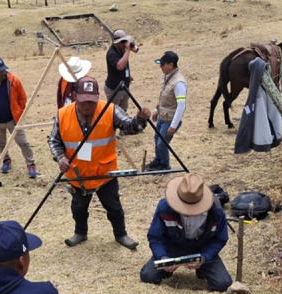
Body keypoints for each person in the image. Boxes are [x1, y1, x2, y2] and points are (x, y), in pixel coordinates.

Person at [49, 77, 151, 250]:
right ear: (75, 96)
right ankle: (80, 233)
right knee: (78, 208)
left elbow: (129, 126)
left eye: (91, 102)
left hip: (105, 173)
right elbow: (53, 140)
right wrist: (60, 158)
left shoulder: (110, 110)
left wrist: (140, 120)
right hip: (78, 174)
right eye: (83, 102)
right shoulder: (62, 114)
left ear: (97, 97)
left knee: (114, 208)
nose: (87, 106)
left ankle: (121, 235)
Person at [140, 174, 232, 292]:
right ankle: (167, 271)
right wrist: (163, 257)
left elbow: (220, 239)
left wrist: (205, 257)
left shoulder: (216, 211)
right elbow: (155, 237)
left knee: (223, 283)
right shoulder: (164, 207)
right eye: (184, 207)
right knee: (148, 276)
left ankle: (202, 269)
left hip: (202, 250)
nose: (188, 211)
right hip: (172, 249)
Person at [0, 56, 39, 178]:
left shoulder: (14, 80)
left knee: (23, 142)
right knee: (1, 144)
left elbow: (22, 98)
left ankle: (31, 164)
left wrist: (18, 113)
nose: (2, 72)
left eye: (3, 69)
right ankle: (6, 161)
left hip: (13, 120)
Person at [147, 51, 187, 171]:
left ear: (171, 64)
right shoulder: (168, 77)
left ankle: (164, 165)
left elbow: (181, 105)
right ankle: (158, 160)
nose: (160, 67)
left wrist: (174, 125)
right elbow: (164, 96)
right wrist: (156, 109)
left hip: (170, 119)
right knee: (157, 140)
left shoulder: (179, 83)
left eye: (163, 64)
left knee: (162, 144)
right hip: (162, 116)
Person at [104, 29, 139, 114]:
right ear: (117, 42)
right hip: (114, 88)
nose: (124, 43)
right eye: (122, 41)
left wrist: (131, 45)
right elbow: (120, 66)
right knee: (114, 113)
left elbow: (136, 50)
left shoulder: (122, 48)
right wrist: (127, 50)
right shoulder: (111, 53)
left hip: (124, 86)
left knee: (123, 110)